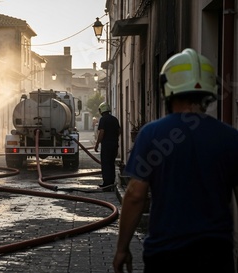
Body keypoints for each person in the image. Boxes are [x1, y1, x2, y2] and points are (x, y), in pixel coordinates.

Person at [113, 48, 238, 273]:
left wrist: (122, 248)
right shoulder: (231, 138)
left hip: (165, 254)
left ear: (167, 88)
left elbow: (134, 195)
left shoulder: (152, 134)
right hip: (216, 254)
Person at [94, 102, 120, 190]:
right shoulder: (114, 119)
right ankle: (112, 182)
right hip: (114, 144)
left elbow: (101, 132)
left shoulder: (103, 119)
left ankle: (106, 183)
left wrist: (97, 144)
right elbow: (119, 131)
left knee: (105, 163)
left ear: (101, 110)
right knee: (112, 163)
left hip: (106, 145)